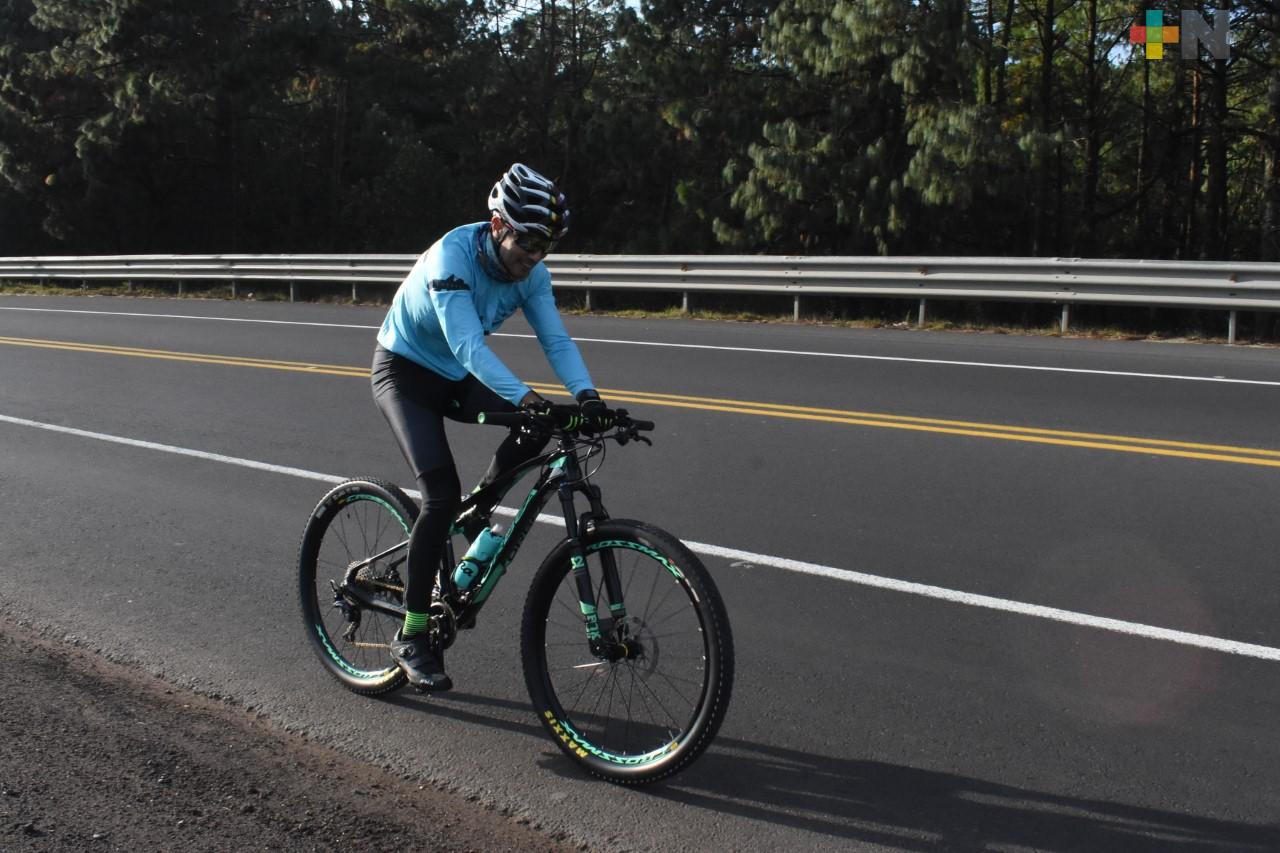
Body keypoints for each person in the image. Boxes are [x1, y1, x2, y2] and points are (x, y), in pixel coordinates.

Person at [370, 163, 612, 692]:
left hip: (455, 376)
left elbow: (555, 340)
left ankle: (476, 510)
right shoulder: (451, 257)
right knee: (438, 494)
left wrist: (587, 396)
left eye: (546, 246)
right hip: (405, 373)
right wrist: (527, 397)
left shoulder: (533, 272)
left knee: (535, 430)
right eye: (528, 241)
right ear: (498, 224)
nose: (535, 256)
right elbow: (467, 345)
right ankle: (411, 634)